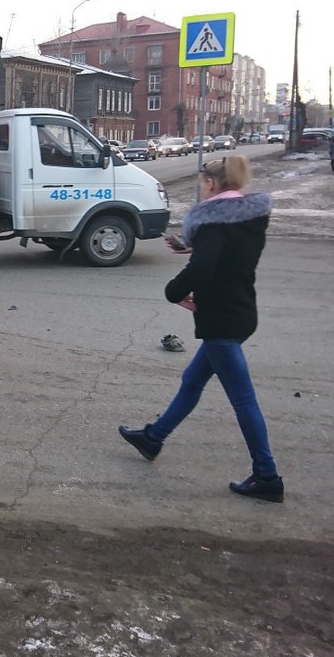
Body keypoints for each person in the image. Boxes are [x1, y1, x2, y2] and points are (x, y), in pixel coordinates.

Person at [117, 154, 284, 503]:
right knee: (192, 381)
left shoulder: (211, 222)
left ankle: (267, 475)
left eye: (201, 183)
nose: (200, 188)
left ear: (211, 183)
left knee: (243, 399)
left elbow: (205, 268)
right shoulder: (248, 217)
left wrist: (173, 292)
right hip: (241, 311)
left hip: (221, 318)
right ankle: (153, 438)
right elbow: (229, 255)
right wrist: (193, 247)